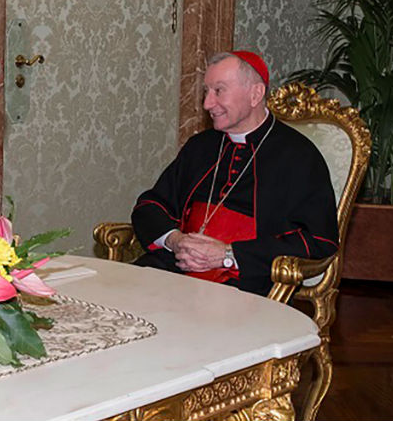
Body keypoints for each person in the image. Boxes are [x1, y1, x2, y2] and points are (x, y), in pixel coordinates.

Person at [131, 51, 339, 295]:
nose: (208, 103)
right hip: (177, 269)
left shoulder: (298, 156)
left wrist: (228, 255)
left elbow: (319, 240)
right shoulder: (201, 147)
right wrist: (175, 240)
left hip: (249, 281)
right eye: (206, 92)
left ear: (255, 94)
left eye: (219, 91)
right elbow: (150, 205)